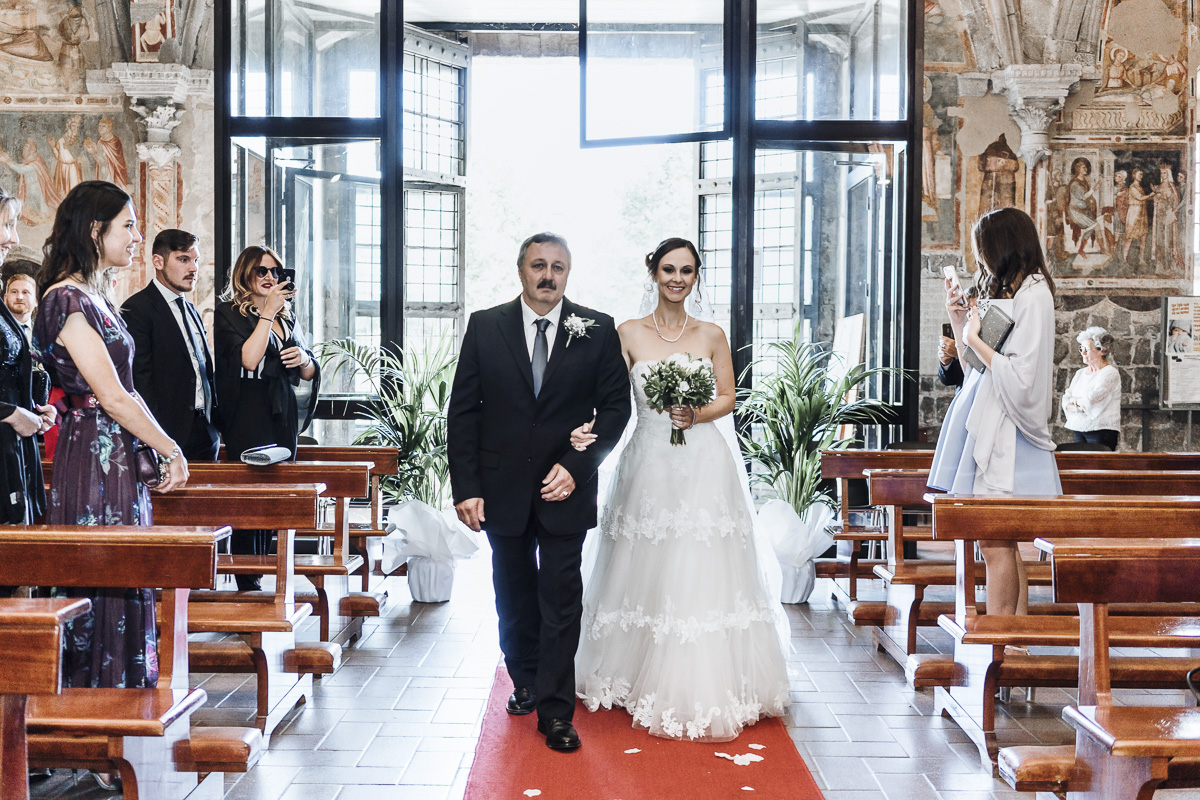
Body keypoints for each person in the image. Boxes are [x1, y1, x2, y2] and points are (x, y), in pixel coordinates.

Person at [569, 237, 790, 742]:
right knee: (644, 560)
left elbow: (729, 396)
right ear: (653, 273)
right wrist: (586, 427)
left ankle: (702, 677)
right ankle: (632, 669)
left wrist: (696, 413)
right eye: (668, 269)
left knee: (697, 562)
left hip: (704, 463)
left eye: (686, 271)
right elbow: (608, 396)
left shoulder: (711, 334)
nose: (677, 279)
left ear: (696, 277)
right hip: (647, 462)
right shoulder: (627, 332)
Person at [447, 232, 631, 752]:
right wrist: (466, 487)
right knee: (512, 595)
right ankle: (524, 678)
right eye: (538, 265)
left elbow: (616, 409)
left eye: (558, 267)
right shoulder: (485, 326)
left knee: (561, 599)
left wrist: (578, 466)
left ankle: (555, 711)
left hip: (565, 491)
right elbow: (463, 412)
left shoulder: (597, 328)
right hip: (500, 488)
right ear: (521, 270)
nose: (548, 275)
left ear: (568, 273)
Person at [34, 180, 189, 691]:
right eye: (129, 226)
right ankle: (89, 704)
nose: (137, 237)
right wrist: (170, 447)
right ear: (95, 230)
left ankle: (124, 694)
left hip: (116, 449)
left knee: (126, 568)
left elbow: (128, 392)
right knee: (99, 571)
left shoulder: (95, 295)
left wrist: (160, 444)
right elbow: (112, 395)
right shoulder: (65, 299)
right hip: (93, 455)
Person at [928, 207, 1060, 618]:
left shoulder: (1034, 296)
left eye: (982, 249)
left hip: (1006, 433)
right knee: (1000, 541)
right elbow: (976, 368)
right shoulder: (1014, 293)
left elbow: (1020, 377)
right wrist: (959, 320)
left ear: (1002, 246)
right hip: (991, 419)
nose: (980, 259)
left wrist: (974, 338)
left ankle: (1003, 642)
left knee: (995, 541)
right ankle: (1014, 640)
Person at [214, 245, 319, 591]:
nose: (270, 277)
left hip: (281, 413)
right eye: (261, 270)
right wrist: (267, 313)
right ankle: (248, 580)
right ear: (245, 274)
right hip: (248, 412)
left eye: (275, 271)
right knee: (249, 498)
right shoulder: (228, 313)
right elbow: (248, 358)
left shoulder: (288, 317)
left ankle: (265, 569)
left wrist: (304, 358)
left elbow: (307, 371)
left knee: (276, 495)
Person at [122, 229, 220, 461]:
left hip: (206, 432)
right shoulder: (136, 309)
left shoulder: (191, 310)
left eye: (196, 260)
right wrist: (159, 438)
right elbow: (139, 381)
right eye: (183, 259)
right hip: (166, 436)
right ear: (158, 261)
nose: (193, 268)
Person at [0, 189, 53, 529]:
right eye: (7, 225)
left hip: (12, 445)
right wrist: (10, 413)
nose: (14, 238)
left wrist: (31, 408)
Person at [1061, 327, 1121, 450]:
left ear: (1102, 351)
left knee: (1098, 461)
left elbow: (1092, 400)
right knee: (1080, 461)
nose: (1083, 353)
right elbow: (1066, 398)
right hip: (1078, 427)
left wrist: (1074, 403)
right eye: (1081, 348)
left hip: (1100, 429)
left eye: (1087, 349)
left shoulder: (1110, 373)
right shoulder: (1080, 373)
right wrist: (1079, 406)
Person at [937, 286, 977, 388]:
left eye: (976, 309)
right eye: (968, 309)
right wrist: (946, 363)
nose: (970, 315)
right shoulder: (960, 333)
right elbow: (949, 380)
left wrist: (959, 353)